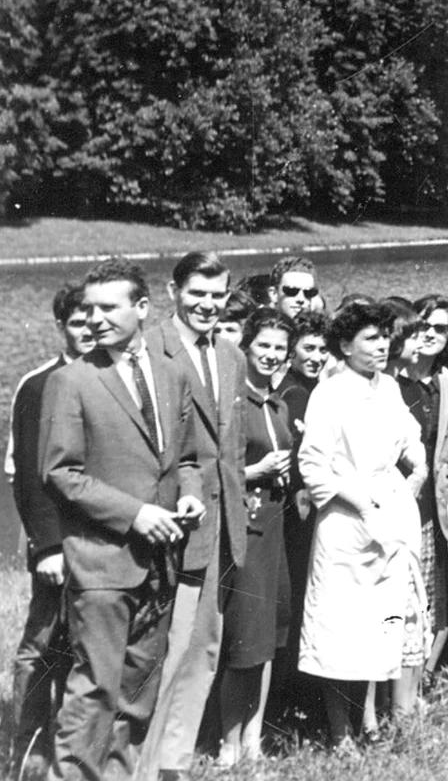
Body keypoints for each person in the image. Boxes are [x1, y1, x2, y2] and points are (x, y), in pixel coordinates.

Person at [42, 258, 206, 781]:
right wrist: (135, 514)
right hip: (102, 564)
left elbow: (185, 459)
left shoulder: (172, 373)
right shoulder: (72, 381)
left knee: (138, 690)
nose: (94, 319)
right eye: (88, 309)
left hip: (159, 561)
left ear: (142, 308)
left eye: (108, 308)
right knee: (95, 689)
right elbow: (60, 473)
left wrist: (191, 495)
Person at [297, 298, 428, 748]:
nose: (381, 346)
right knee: (342, 628)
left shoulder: (388, 387)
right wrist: (364, 506)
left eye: (384, 337)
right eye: (370, 339)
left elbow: (409, 435)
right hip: (348, 519)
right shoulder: (330, 393)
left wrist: (418, 466)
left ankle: (369, 721)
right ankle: (339, 733)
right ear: (345, 345)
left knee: (380, 625)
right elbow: (314, 465)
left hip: (389, 514)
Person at [137, 251, 246, 781]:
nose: (207, 304)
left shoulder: (231, 354)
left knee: (204, 647)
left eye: (217, 295)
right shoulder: (149, 348)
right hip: (171, 524)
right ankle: (143, 762)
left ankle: (174, 762)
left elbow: (230, 449)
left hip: (222, 529)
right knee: (166, 650)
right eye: (197, 293)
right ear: (173, 290)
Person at [9, 283, 90, 779]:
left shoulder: (113, 377)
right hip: (56, 542)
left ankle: (76, 750)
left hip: (102, 540)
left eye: (95, 318)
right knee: (41, 646)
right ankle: (28, 752)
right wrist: (47, 547)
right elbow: (27, 477)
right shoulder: (39, 384)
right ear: (61, 325)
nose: (88, 328)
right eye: (77, 320)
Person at [218, 309, 299, 767]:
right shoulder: (232, 403)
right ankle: (229, 745)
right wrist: (256, 471)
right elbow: (219, 470)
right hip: (244, 528)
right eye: (263, 346)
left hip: (274, 526)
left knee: (268, 639)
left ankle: (255, 739)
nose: (270, 355)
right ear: (246, 348)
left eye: (279, 350)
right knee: (244, 639)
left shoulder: (279, 405)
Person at [390, 294, 448, 704]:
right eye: (423, 325)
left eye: (441, 328)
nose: (430, 335)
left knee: (436, 593)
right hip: (399, 498)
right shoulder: (392, 380)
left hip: (437, 501)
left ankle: (421, 679)